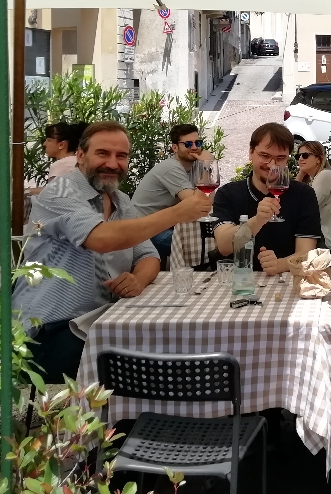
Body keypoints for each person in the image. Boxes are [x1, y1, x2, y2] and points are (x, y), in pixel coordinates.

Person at [13, 121, 211, 383]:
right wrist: (176, 213)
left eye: (121, 156)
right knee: (153, 364)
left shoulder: (120, 200)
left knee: (176, 343)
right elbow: (100, 238)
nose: (113, 163)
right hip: (45, 334)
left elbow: (148, 256)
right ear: (80, 156)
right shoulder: (59, 192)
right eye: (103, 153)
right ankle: (131, 422)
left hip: (97, 324)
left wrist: (137, 279)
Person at [212, 123, 322, 275]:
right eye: (265, 156)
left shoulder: (304, 194)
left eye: (280, 158)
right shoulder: (228, 193)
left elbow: (306, 253)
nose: (272, 164)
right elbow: (224, 246)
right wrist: (258, 220)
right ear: (251, 152)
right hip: (238, 282)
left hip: (286, 286)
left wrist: (281, 264)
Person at [130, 123, 214, 266]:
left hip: (166, 224)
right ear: (175, 148)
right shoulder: (171, 168)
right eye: (188, 144)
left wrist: (205, 167)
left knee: (212, 240)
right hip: (144, 230)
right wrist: (207, 165)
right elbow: (197, 203)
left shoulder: (195, 165)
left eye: (197, 143)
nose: (194, 147)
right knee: (197, 248)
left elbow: (208, 202)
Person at [294, 140, 331, 253]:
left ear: (319, 158)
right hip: (324, 236)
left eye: (305, 155)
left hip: (328, 240)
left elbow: (303, 208)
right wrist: (301, 173)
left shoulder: (325, 175)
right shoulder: (316, 178)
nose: (300, 159)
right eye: (298, 156)